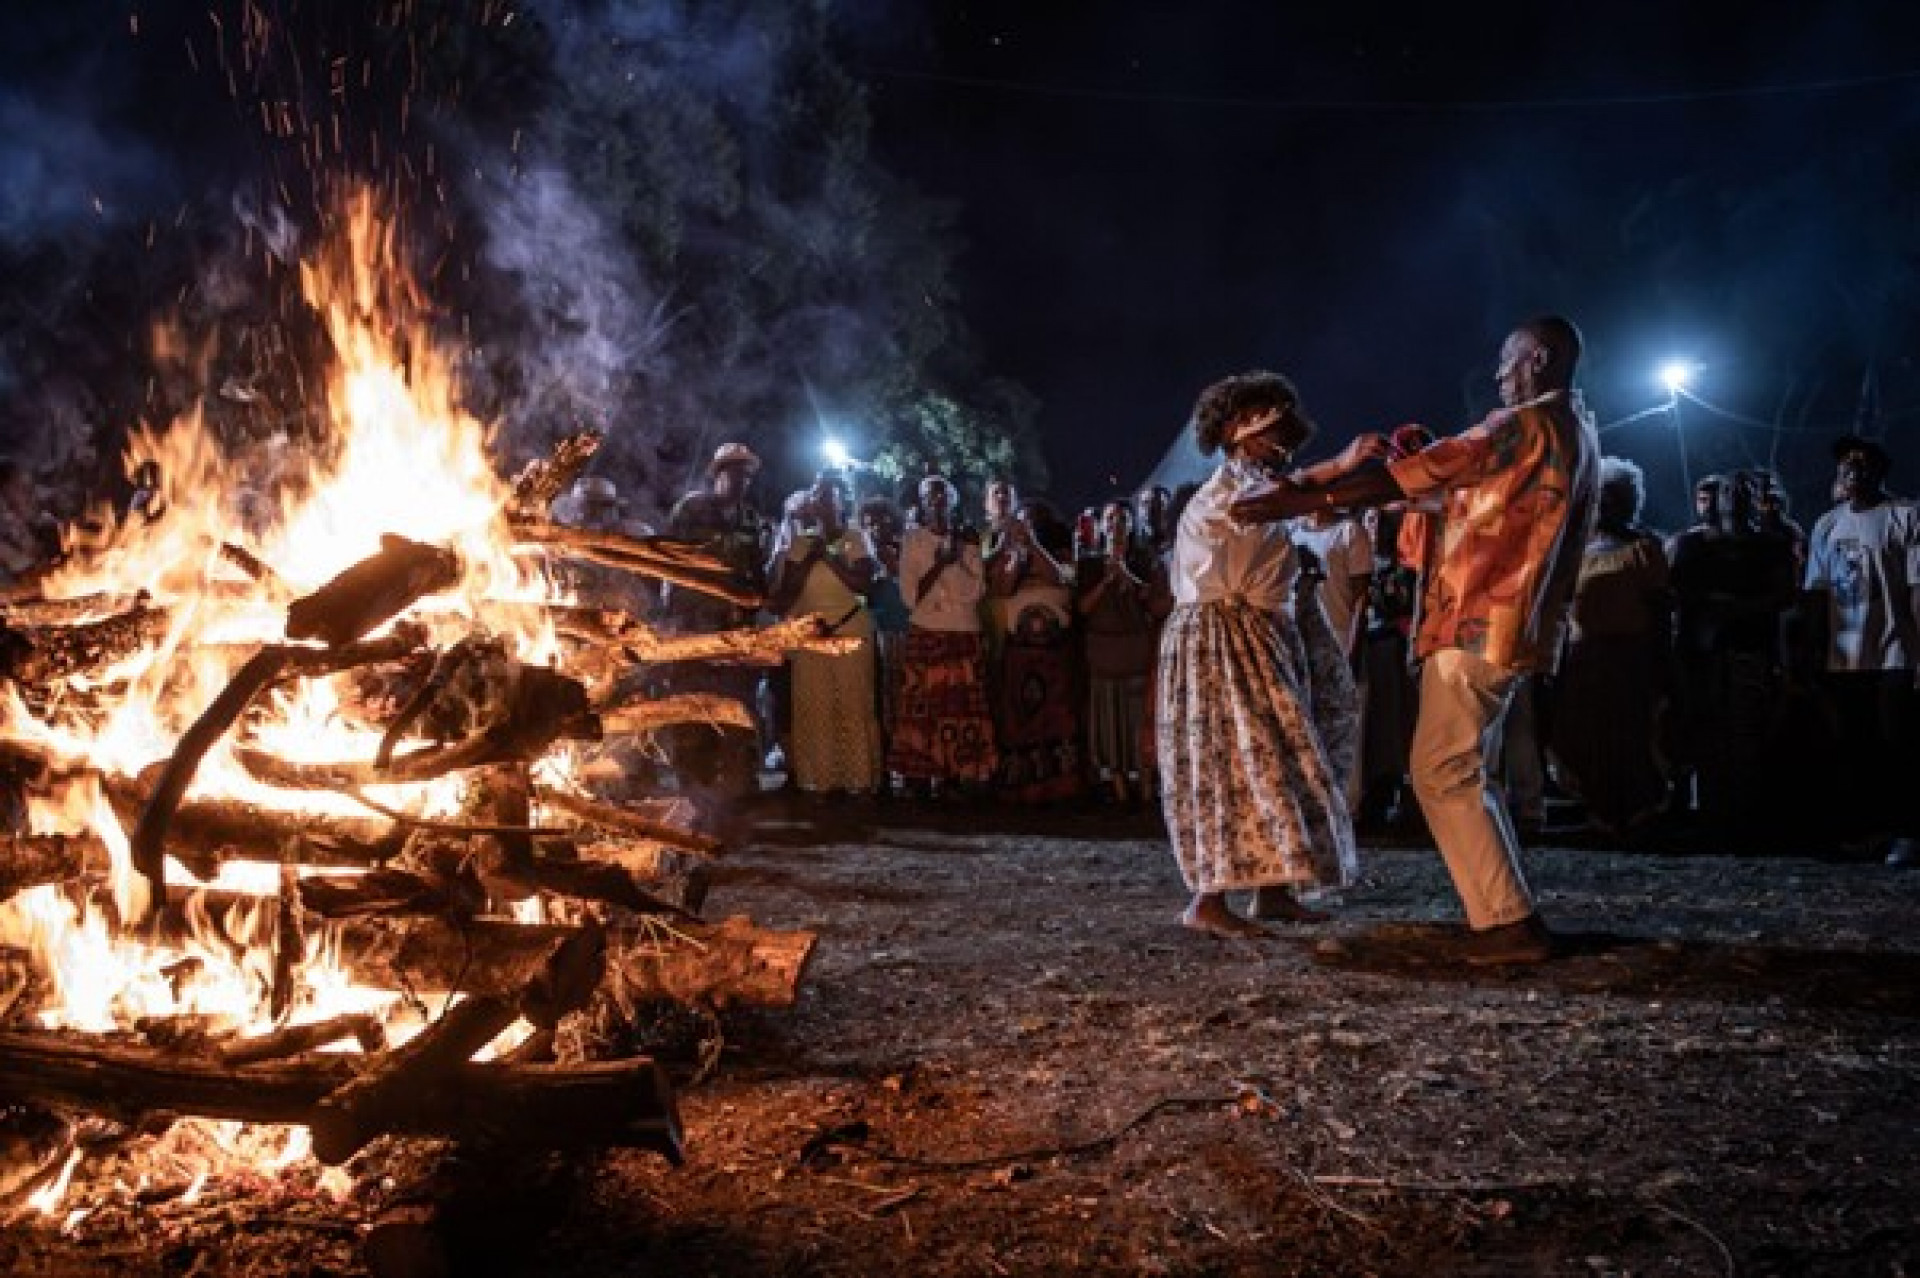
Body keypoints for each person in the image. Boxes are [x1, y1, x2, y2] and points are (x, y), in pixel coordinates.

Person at [1231, 316, 1599, 965]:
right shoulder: (1576, 430)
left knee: (1441, 770)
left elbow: (1420, 473)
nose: (1499, 374)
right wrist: (1345, 495)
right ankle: (1503, 912)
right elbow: (1461, 498)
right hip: (1512, 621)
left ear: (1538, 359)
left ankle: (1509, 923)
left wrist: (1304, 500)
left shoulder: (1524, 424)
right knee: (1465, 770)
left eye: (1508, 359)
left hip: (1480, 615)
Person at [1157, 370, 1360, 938]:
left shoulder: (1259, 483)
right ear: (1234, 431)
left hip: (1257, 634)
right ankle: (1208, 900)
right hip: (1222, 640)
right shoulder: (1229, 491)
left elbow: (1293, 490)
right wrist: (1345, 469)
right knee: (1231, 762)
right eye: (1268, 430)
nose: (1281, 444)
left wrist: (1345, 469)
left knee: (1278, 759)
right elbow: (1278, 501)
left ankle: (1273, 891)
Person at [1800, 436, 1920, 864]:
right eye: (1846, 464)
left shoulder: (1906, 515)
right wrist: (1814, 650)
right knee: (1855, 744)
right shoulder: (1827, 524)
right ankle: (1868, 830)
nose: (1853, 469)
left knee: (1897, 742)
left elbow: (1916, 588)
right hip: (1845, 657)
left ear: (1880, 471)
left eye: (1863, 463)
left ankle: (1907, 831)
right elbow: (1816, 591)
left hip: (1894, 651)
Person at [1547, 456, 1672, 837]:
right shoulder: (1577, 549)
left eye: (1615, 496)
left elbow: (1660, 609)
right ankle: (1598, 807)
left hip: (1628, 657)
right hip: (1584, 658)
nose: (1606, 503)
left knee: (1628, 735)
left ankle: (1633, 810)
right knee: (1586, 734)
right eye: (1601, 495)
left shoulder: (1643, 548)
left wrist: (1660, 662)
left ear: (1630, 502)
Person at [659, 443, 772, 802]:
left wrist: (755, 610)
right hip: (692, 627)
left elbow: (757, 574)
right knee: (692, 704)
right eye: (734, 472)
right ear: (717, 474)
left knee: (737, 705)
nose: (741, 480)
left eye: (746, 475)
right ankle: (693, 785)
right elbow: (668, 560)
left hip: (735, 630)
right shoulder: (691, 510)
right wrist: (672, 619)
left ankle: (739, 784)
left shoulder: (752, 520)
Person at [766, 473, 884, 796]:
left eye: (828, 496)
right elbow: (786, 594)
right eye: (817, 497)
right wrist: (809, 559)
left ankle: (859, 779)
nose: (822, 502)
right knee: (816, 707)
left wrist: (829, 558)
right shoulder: (799, 544)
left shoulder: (856, 538)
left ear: (841, 502)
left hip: (850, 631)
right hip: (811, 637)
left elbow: (863, 584)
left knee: (852, 704)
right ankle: (821, 780)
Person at [888, 474, 999, 795]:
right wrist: (939, 565)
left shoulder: (968, 540)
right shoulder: (913, 541)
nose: (936, 502)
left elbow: (974, 591)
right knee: (924, 706)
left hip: (962, 630)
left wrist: (955, 562)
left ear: (952, 501)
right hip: (927, 630)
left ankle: (958, 772)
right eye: (930, 497)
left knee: (960, 706)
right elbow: (910, 597)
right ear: (922, 503)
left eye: (942, 496)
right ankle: (921, 773)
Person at [988, 500, 1084, 803]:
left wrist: (1034, 546)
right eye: (1021, 522)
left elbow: (1059, 577)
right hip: (1020, 651)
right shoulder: (1013, 553)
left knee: (1057, 715)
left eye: (1031, 521)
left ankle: (1060, 785)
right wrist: (1017, 554)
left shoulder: (1060, 552)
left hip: (1054, 651)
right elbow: (1003, 588)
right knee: (1020, 716)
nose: (1025, 527)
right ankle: (1022, 785)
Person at [1077, 501, 1171, 803]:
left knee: (1136, 721)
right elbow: (1082, 608)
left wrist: (1127, 575)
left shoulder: (1144, 560)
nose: (1115, 524)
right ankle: (1119, 790)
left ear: (1131, 525)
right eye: (1110, 518)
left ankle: (1145, 787)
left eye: (1122, 518)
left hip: (1135, 653)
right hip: (1103, 654)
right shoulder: (1090, 563)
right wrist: (1106, 581)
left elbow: (1153, 603)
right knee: (1109, 722)